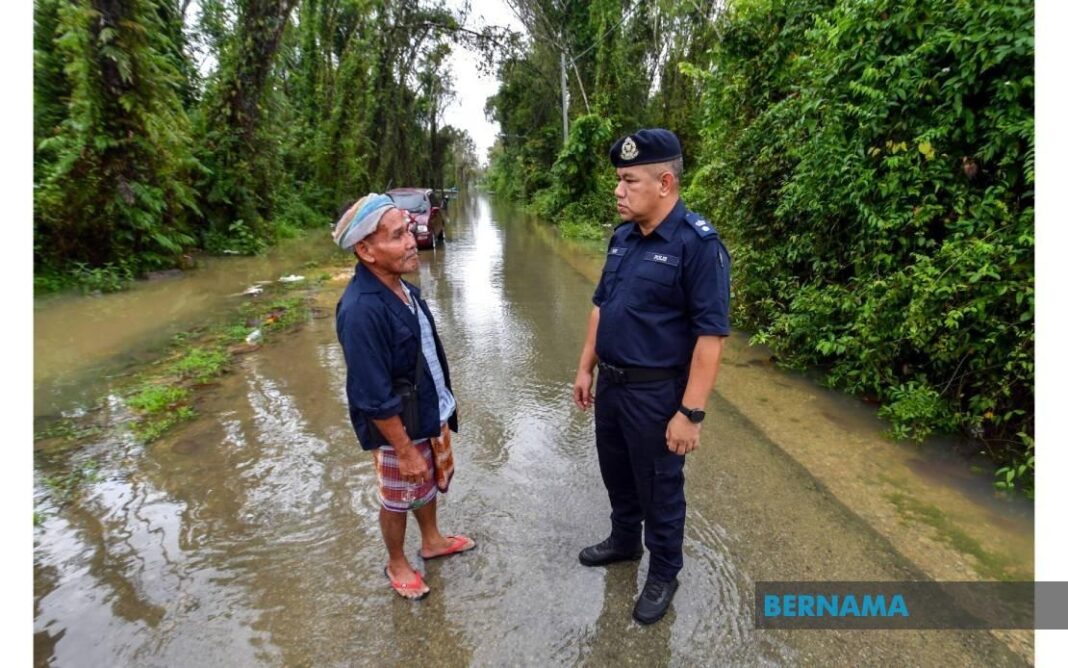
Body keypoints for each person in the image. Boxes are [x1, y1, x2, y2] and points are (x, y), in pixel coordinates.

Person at [572, 129, 731, 624]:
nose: (618, 191)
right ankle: (624, 541)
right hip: (613, 387)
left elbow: (711, 337)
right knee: (616, 471)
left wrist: (690, 413)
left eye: (628, 181)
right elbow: (602, 307)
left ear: (665, 183)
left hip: (656, 393)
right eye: (618, 180)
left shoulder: (697, 246)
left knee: (661, 485)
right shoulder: (622, 238)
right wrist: (585, 365)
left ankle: (664, 570)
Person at [334, 193, 475, 601]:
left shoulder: (400, 288)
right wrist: (404, 449)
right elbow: (371, 393)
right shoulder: (361, 310)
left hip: (426, 413)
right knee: (398, 497)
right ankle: (397, 561)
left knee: (427, 483)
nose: (413, 240)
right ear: (366, 250)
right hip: (400, 427)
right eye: (397, 236)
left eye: (409, 231)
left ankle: (431, 540)